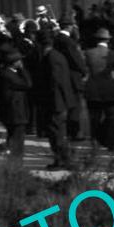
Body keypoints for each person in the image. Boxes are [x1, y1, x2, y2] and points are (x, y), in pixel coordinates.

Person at [35, 29, 75, 169]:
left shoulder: (51, 58)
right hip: (59, 101)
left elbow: (56, 81)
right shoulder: (56, 55)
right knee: (58, 132)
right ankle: (63, 160)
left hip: (55, 102)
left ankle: (62, 160)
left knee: (56, 133)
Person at [84, 28, 114, 153]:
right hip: (109, 87)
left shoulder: (88, 53)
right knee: (110, 117)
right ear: (108, 40)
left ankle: (95, 142)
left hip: (93, 87)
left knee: (94, 117)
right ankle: (111, 143)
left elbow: (85, 70)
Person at [0, 50, 32, 159]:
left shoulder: (4, 73)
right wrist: (22, 69)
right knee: (17, 138)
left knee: (13, 136)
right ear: (14, 62)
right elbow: (28, 84)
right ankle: (16, 160)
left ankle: (13, 158)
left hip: (11, 111)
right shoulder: (9, 75)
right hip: (15, 112)